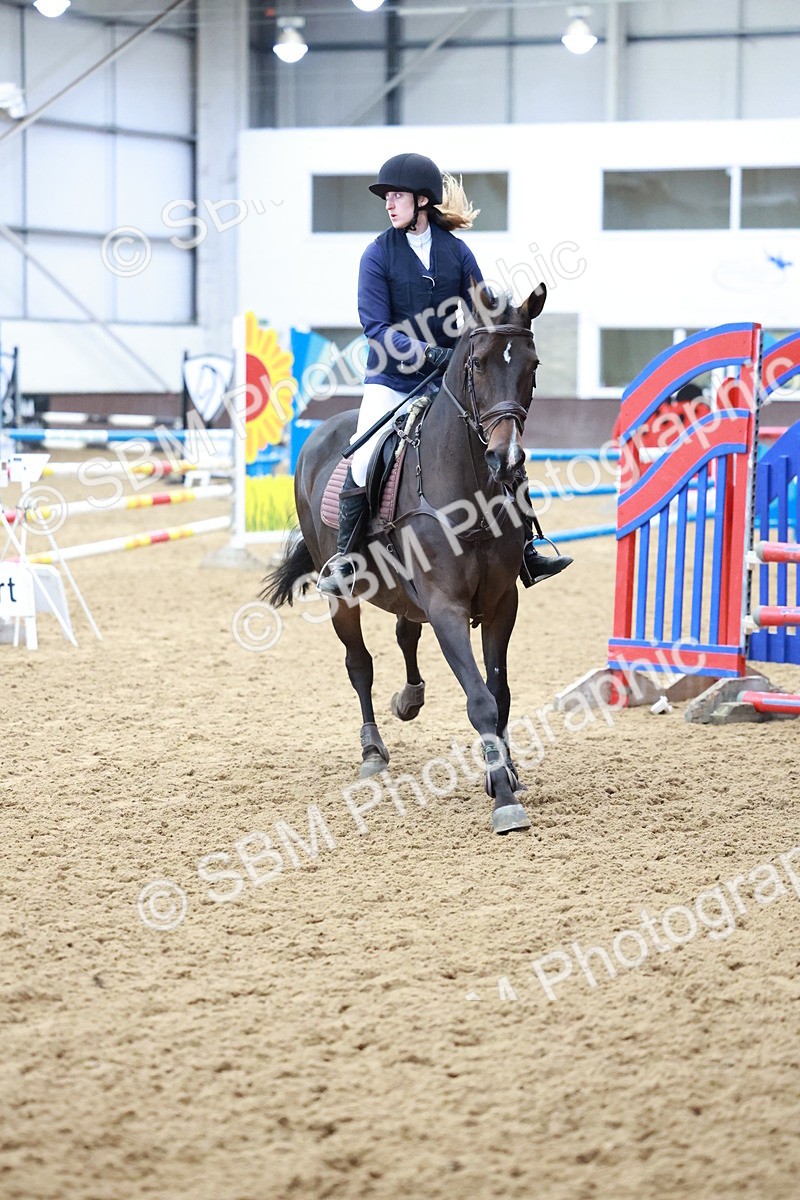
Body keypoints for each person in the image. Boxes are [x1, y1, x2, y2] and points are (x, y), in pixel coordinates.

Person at [318, 152, 572, 595]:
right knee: (363, 456)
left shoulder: (455, 251)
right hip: (390, 379)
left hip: (447, 381)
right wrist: (428, 354)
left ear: (421, 201)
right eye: (387, 198)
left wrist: (501, 322)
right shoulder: (377, 255)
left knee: (500, 446)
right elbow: (375, 329)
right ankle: (347, 558)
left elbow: (481, 303)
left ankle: (527, 547)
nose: (389, 205)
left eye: (396, 196)